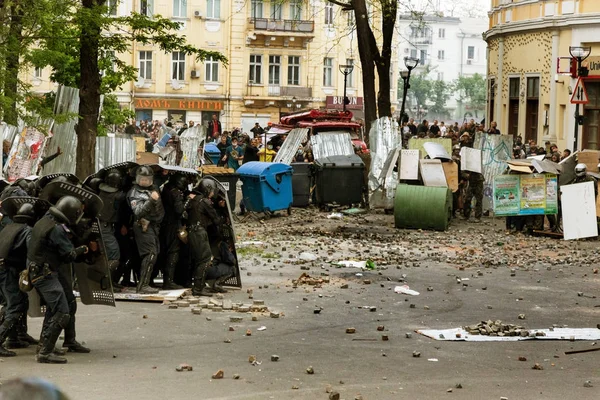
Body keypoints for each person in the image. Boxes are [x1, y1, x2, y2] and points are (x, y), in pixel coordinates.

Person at [28, 196, 89, 363]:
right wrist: (82, 249)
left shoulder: (44, 221)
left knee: (57, 307)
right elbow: (68, 255)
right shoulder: (56, 229)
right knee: (62, 312)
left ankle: (45, 345)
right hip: (45, 273)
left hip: (40, 270)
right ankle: (45, 353)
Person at [0, 203, 35, 357]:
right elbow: (32, 252)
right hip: (10, 271)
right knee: (15, 305)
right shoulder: (27, 231)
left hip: (3, 270)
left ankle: (14, 337)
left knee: (13, 303)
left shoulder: (8, 227)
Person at [127, 166, 165, 294]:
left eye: (147, 179)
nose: (144, 181)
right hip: (142, 226)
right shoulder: (134, 192)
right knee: (150, 253)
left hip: (154, 226)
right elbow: (138, 212)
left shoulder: (153, 189)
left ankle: (147, 282)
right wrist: (151, 200)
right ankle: (143, 285)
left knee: (155, 253)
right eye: (142, 179)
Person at [185, 180, 221, 297]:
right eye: (211, 191)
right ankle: (198, 288)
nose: (212, 193)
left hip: (191, 231)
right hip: (199, 232)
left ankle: (197, 285)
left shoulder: (194, 199)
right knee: (205, 259)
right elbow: (216, 219)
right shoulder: (204, 201)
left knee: (197, 259)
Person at [96, 169, 126, 286]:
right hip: (105, 227)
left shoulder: (101, 192)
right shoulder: (118, 195)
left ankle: (109, 282)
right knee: (114, 255)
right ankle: (107, 283)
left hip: (104, 226)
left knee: (107, 255)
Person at [159, 174, 187, 290]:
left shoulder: (165, 189)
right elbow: (179, 210)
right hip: (173, 225)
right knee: (173, 252)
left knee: (165, 251)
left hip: (165, 224)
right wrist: (187, 201)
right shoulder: (175, 193)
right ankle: (168, 281)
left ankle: (168, 279)